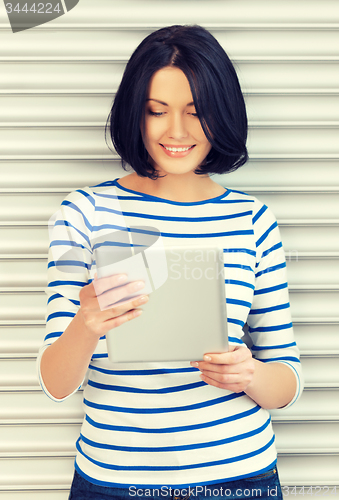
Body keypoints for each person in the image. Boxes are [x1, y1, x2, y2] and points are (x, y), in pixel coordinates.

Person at [37, 25, 303, 500]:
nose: (176, 132)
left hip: (240, 478)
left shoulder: (252, 219)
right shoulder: (84, 213)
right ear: (134, 115)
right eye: (157, 111)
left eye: (196, 113)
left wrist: (251, 374)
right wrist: (85, 324)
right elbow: (56, 384)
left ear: (221, 115)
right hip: (115, 480)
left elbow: (285, 381)